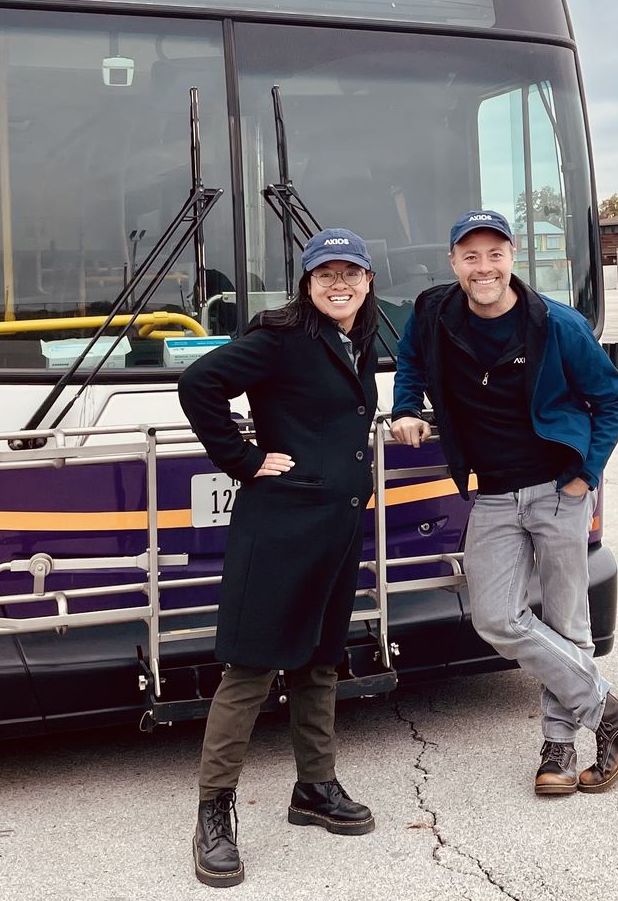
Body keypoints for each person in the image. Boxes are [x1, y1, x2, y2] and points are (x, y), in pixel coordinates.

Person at [389, 210, 618, 797]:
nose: (484, 268)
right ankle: (613, 713)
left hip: (560, 490)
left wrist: (585, 477)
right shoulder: (432, 313)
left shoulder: (558, 324)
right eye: (471, 256)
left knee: (566, 622)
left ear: (512, 258)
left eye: (495, 254)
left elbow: (610, 398)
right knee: (495, 618)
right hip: (495, 495)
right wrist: (407, 407)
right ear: (453, 262)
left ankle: (558, 749)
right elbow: (410, 363)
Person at [177, 228, 381, 888]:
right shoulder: (281, 338)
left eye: (350, 273)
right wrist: (243, 460)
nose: (339, 284)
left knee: (322, 662)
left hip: (337, 530)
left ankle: (314, 789)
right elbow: (201, 386)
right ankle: (214, 812)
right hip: (282, 528)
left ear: (368, 281)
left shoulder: (355, 338)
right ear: (308, 283)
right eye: (327, 275)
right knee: (252, 669)